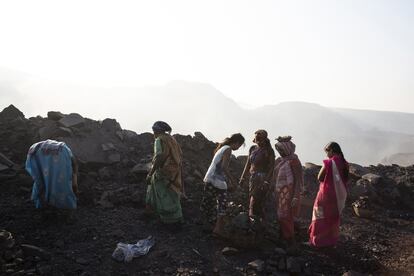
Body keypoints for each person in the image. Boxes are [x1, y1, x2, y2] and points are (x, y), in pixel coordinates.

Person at [200, 133, 245, 236]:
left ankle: (207, 225)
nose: (238, 148)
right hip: (217, 181)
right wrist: (233, 181)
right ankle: (218, 229)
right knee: (222, 204)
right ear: (237, 143)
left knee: (208, 202)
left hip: (210, 178)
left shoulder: (222, 147)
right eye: (239, 145)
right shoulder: (228, 149)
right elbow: (224, 167)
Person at [308, 142, 349, 247]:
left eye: (327, 151)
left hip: (325, 194)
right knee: (332, 217)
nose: (326, 155)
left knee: (320, 216)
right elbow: (345, 178)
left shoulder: (329, 163)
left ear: (331, 150)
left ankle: (317, 241)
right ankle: (330, 241)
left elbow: (320, 177)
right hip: (338, 196)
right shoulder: (345, 163)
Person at [25, 140, 78, 216]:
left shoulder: (67, 152)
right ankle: (63, 205)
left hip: (35, 150)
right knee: (61, 181)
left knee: (41, 180)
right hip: (58, 154)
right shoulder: (67, 155)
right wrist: (75, 183)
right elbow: (74, 175)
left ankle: (43, 202)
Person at [145, 121, 184, 225]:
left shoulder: (159, 139)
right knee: (172, 194)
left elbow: (160, 156)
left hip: (164, 172)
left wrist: (150, 173)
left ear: (156, 131)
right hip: (174, 172)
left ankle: (169, 222)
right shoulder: (172, 139)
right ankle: (177, 219)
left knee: (164, 195)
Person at [273, 136, 303, 248]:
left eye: (281, 150)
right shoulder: (283, 161)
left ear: (287, 149)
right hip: (282, 193)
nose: (279, 152)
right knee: (282, 215)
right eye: (278, 150)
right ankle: (285, 238)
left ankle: (290, 240)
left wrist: (295, 196)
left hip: (289, 193)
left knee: (286, 216)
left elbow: (297, 180)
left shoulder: (294, 161)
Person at [239, 130, 275, 220]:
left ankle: (253, 215)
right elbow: (248, 164)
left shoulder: (269, 151)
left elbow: (272, 167)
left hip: (262, 177)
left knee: (256, 196)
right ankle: (256, 217)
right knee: (252, 195)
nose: (258, 138)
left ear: (264, 139)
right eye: (256, 136)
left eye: (260, 137)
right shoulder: (252, 148)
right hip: (253, 177)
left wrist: (267, 181)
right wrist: (242, 177)